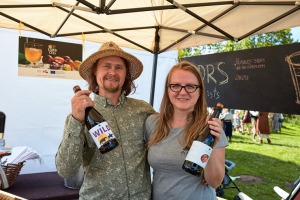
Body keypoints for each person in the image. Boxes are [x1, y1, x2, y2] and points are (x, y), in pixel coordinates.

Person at [55, 41, 155, 199]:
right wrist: (76, 121)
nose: (112, 72)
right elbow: (65, 170)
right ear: (95, 71)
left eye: (119, 67)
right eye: (106, 66)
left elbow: (166, 140)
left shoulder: (143, 110)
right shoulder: (79, 115)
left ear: (126, 74)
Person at [144, 61, 228, 200]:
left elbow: (214, 182)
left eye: (190, 86)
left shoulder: (210, 127)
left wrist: (211, 145)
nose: (182, 92)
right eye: (175, 86)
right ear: (168, 90)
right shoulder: (152, 123)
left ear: (200, 91)